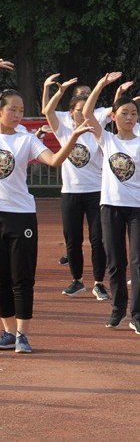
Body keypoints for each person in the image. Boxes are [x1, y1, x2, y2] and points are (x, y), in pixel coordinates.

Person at [0, 59, 92, 353]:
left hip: (20, 216)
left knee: (22, 277)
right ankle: (8, 332)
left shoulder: (26, 140)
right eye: (13, 109)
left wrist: (71, 137)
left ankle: (23, 334)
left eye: (21, 110)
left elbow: (55, 161)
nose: (18, 114)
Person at [82, 71, 140, 333]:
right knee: (116, 262)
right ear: (114, 117)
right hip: (111, 207)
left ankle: (136, 315)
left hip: (137, 209)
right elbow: (87, 113)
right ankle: (118, 309)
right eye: (124, 113)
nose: (129, 117)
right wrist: (101, 84)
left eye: (133, 113)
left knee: (138, 262)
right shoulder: (106, 139)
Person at [43, 75, 109, 300]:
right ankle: (77, 281)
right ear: (71, 112)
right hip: (71, 193)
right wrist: (58, 91)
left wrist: (108, 89)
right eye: (79, 109)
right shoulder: (64, 131)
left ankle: (99, 283)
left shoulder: (96, 132)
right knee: (73, 239)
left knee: (98, 239)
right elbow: (48, 111)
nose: (83, 113)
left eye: (86, 109)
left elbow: (115, 110)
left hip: (96, 192)